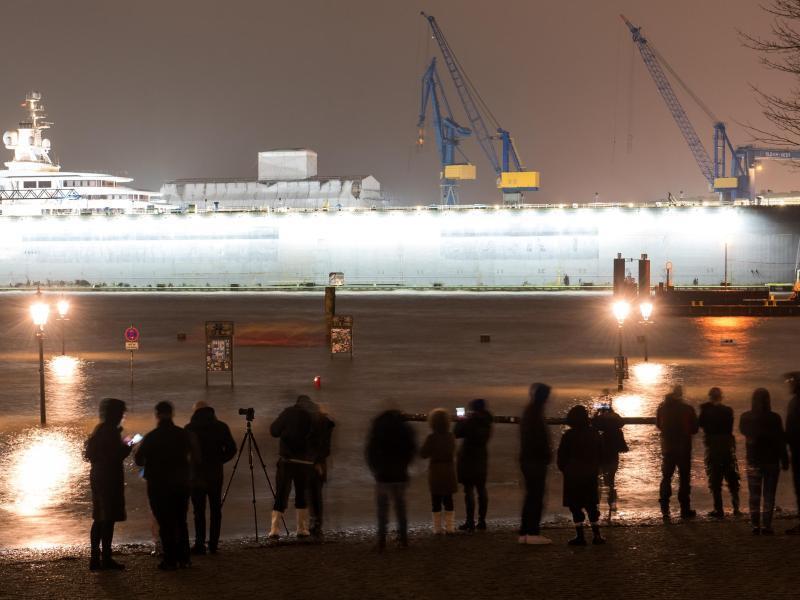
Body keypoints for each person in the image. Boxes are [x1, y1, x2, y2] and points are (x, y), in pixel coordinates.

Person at [135, 401, 196, 570]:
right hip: (181, 483)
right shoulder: (182, 434)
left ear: (157, 415)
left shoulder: (152, 436)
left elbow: (139, 459)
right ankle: (184, 558)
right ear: (172, 414)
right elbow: (195, 454)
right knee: (180, 520)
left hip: (158, 485)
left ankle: (170, 559)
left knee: (165, 522)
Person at [84, 398, 131, 571]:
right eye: (121, 413)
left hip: (97, 476)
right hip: (109, 478)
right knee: (108, 519)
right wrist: (129, 444)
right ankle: (105, 558)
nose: (122, 416)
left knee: (99, 518)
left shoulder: (99, 430)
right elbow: (116, 456)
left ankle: (96, 558)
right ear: (116, 414)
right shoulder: (110, 432)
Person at [184, 401, 236, 555]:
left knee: (198, 511)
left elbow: (184, 452)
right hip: (215, 474)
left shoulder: (189, 428)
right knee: (215, 509)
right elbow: (232, 449)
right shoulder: (221, 427)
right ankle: (213, 544)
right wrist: (220, 459)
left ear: (195, 412)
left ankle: (199, 543)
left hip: (196, 475)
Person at [739, 388, 789, 535]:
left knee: (754, 495)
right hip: (772, 461)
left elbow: (745, 432)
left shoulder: (746, 417)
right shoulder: (775, 418)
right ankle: (767, 525)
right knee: (769, 494)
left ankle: (755, 525)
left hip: (753, 460)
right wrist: (784, 459)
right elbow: (781, 441)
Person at [366, 407, 416, 551]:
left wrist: (375, 468)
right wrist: (405, 465)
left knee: (382, 509)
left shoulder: (378, 429)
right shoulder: (405, 429)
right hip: (400, 474)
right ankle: (403, 539)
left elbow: (370, 451)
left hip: (382, 475)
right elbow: (411, 450)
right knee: (400, 506)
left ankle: (381, 540)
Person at [268, 395, 315, 539]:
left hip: (286, 461)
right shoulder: (311, 417)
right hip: (304, 463)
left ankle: (275, 529)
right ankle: (302, 528)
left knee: (281, 493)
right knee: (301, 494)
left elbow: (274, 431)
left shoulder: (287, 413)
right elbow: (315, 439)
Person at [557, 405, 605, 546]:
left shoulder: (568, 436)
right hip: (590, 474)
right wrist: (596, 468)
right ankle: (597, 535)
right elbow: (601, 454)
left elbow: (561, 457)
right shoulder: (594, 433)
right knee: (591, 505)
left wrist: (565, 469)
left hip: (572, 475)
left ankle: (580, 536)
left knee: (575, 506)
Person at [656, 385, 699, 520]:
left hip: (667, 448)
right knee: (684, 479)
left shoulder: (662, 408)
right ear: (681, 395)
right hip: (684, 448)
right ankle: (684, 509)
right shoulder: (687, 409)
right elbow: (694, 429)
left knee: (666, 477)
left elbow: (658, 424)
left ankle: (665, 509)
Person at [697, 387, 741, 518]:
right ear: (721, 397)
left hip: (713, 447)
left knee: (715, 479)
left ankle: (719, 510)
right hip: (727, 445)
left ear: (710, 397)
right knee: (732, 477)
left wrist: (704, 408)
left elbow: (700, 424)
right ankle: (736, 508)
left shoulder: (706, 411)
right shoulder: (728, 411)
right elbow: (730, 426)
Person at [518, 383, 553, 545]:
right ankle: (532, 532)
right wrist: (547, 455)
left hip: (528, 460)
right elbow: (538, 440)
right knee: (536, 496)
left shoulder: (529, 412)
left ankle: (525, 532)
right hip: (535, 461)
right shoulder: (535, 415)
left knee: (530, 496)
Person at [454, 398, 493, 531]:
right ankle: (482, 521)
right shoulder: (487, 421)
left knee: (468, 491)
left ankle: (470, 521)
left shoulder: (470, 421)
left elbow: (457, 433)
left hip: (468, 458)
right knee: (481, 490)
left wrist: (461, 419)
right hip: (481, 458)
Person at [420, 408, 458, 534]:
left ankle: (437, 528)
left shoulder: (431, 438)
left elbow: (423, 454)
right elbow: (454, 451)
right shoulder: (451, 437)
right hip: (449, 471)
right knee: (448, 500)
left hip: (435, 471)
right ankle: (450, 527)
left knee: (435, 501)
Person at [592, 400, 628, 512]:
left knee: (597, 480)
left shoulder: (598, 422)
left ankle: (595, 504)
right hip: (613, 454)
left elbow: (593, 423)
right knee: (611, 480)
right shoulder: (615, 422)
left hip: (599, 455)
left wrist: (595, 413)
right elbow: (621, 422)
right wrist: (613, 413)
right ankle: (612, 503)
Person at [307, 403, 335, 538]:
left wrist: (315, 461)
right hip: (320, 463)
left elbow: (317, 446)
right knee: (316, 493)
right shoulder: (326, 426)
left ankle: (314, 522)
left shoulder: (316, 426)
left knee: (312, 494)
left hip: (312, 464)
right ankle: (317, 522)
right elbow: (326, 448)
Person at [785, 372, 800, 535]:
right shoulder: (794, 403)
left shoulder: (795, 403)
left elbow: (791, 429)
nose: (789, 384)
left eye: (791, 381)